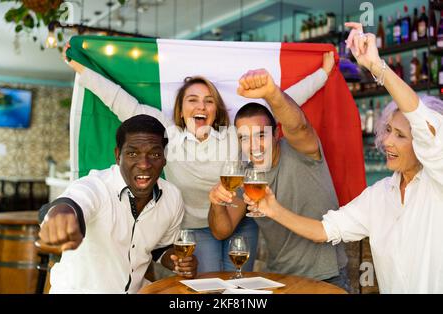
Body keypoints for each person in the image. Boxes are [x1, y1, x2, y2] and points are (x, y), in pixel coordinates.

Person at [63, 42, 333, 273]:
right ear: (180, 108)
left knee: (238, 288)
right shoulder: (167, 135)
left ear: (216, 109)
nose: (201, 106)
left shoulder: (234, 135)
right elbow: (121, 102)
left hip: (240, 222)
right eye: (192, 100)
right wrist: (81, 68)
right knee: (206, 287)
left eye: (208, 101)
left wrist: (322, 74)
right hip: (196, 229)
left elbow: (282, 106)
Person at [242, 22, 443, 294]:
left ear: (422, 143)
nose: (387, 142)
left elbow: (425, 124)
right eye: (387, 131)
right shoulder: (381, 195)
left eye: (400, 136)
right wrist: (274, 209)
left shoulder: (437, 183)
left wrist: (377, 67)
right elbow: (324, 230)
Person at [208, 53, 349, 291]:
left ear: (276, 135)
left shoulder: (300, 150)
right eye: (244, 138)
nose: (253, 146)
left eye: (261, 135)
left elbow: (299, 125)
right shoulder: (245, 175)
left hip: (327, 276)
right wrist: (216, 203)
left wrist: (271, 92)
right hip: (280, 278)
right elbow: (222, 231)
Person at [38, 114, 197, 293]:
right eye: (133, 153)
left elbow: (160, 249)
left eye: (154, 154)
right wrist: (61, 213)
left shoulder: (172, 197)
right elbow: (73, 201)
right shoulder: (97, 186)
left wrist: (176, 260)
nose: (144, 164)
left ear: (164, 158)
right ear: (117, 156)